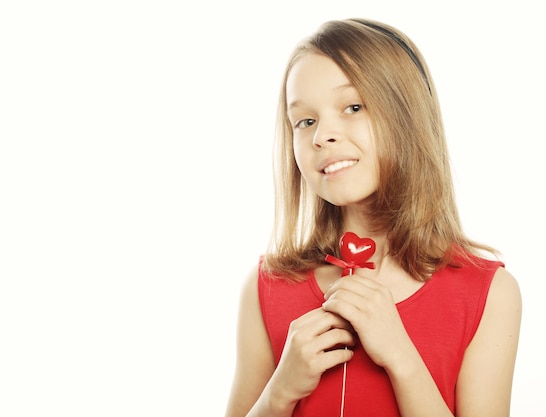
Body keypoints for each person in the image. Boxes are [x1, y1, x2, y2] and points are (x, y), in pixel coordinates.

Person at [224, 18, 522, 417]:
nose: (321, 136)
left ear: (407, 119)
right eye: (305, 121)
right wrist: (280, 391)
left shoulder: (489, 294)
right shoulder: (267, 287)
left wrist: (402, 358)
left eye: (353, 107)